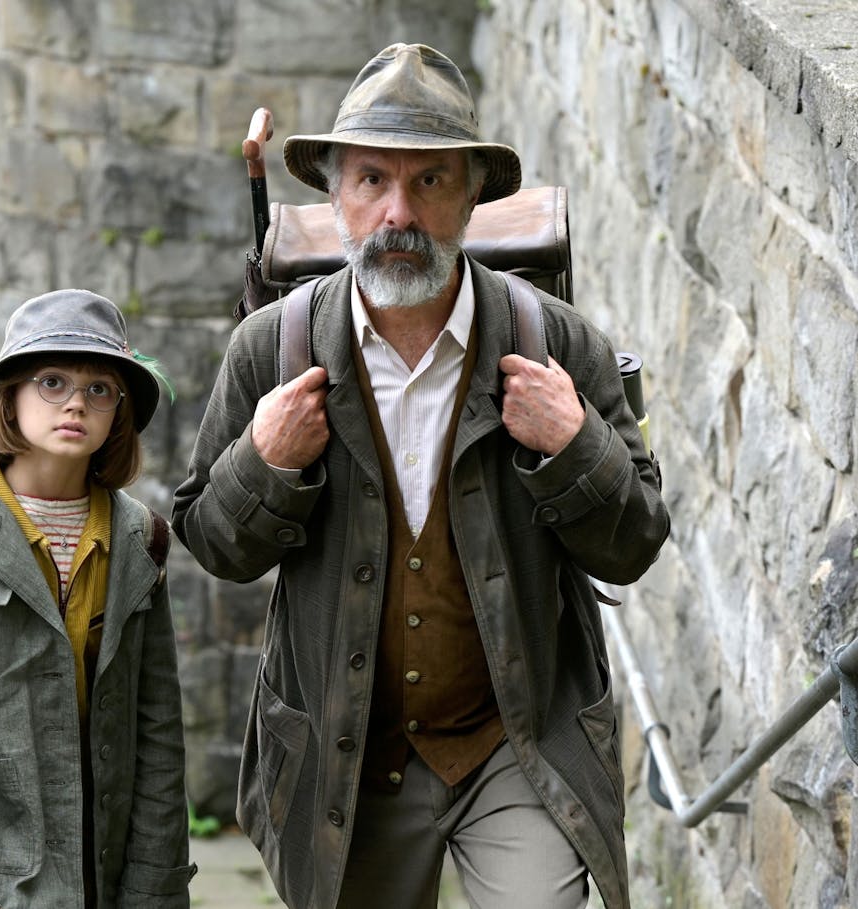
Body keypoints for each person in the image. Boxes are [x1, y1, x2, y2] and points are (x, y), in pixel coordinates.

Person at [172, 44, 670, 909]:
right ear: (336, 195)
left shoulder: (557, 344)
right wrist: (266, 461)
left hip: (516, 744)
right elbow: (213, 544)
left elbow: (633, 546)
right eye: (371, 181)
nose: (399, 212)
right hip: (345, 755)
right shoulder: (274, 349)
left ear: (473, 195)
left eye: (431, 182)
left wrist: (574, 442)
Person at [0, 289, 195, 909]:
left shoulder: (143, 539)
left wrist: (155, 886)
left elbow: (157, 731)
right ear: (11, 398)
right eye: (52, 381)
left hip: (108, 879)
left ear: (118, 414)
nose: (77, 401)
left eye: (100, 388)